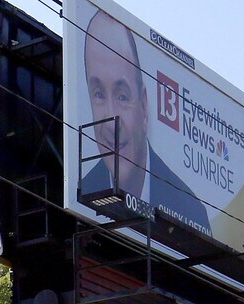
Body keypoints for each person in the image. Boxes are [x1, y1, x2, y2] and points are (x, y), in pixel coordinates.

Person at [81, 10, 212, 234]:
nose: (110, 122)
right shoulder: (83, 192)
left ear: (144, 107)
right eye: (99, 94)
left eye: (122, 96)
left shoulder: (190, 211)